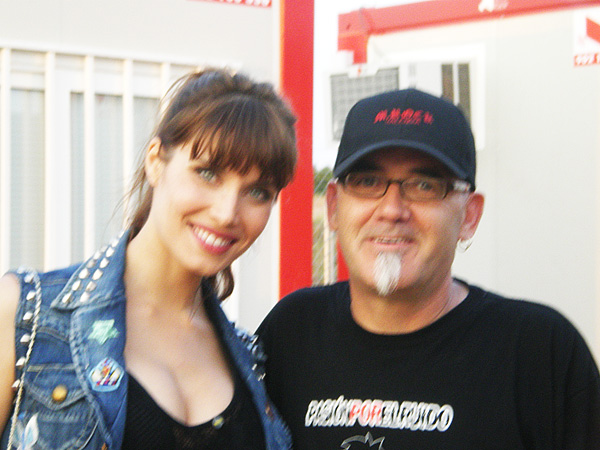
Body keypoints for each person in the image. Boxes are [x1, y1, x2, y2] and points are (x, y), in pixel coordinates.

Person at [257, 88, 600, 449]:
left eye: (424, 186)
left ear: (469, 216)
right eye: (368, 182)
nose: (392, 210)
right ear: (333, 207)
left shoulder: (539, 353)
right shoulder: (291, 334)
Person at [0, 68, 297, 450]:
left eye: (257, 192)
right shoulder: (26, 314)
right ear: (155, 161)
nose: (227, 213)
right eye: (207, 173)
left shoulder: (251, 359)